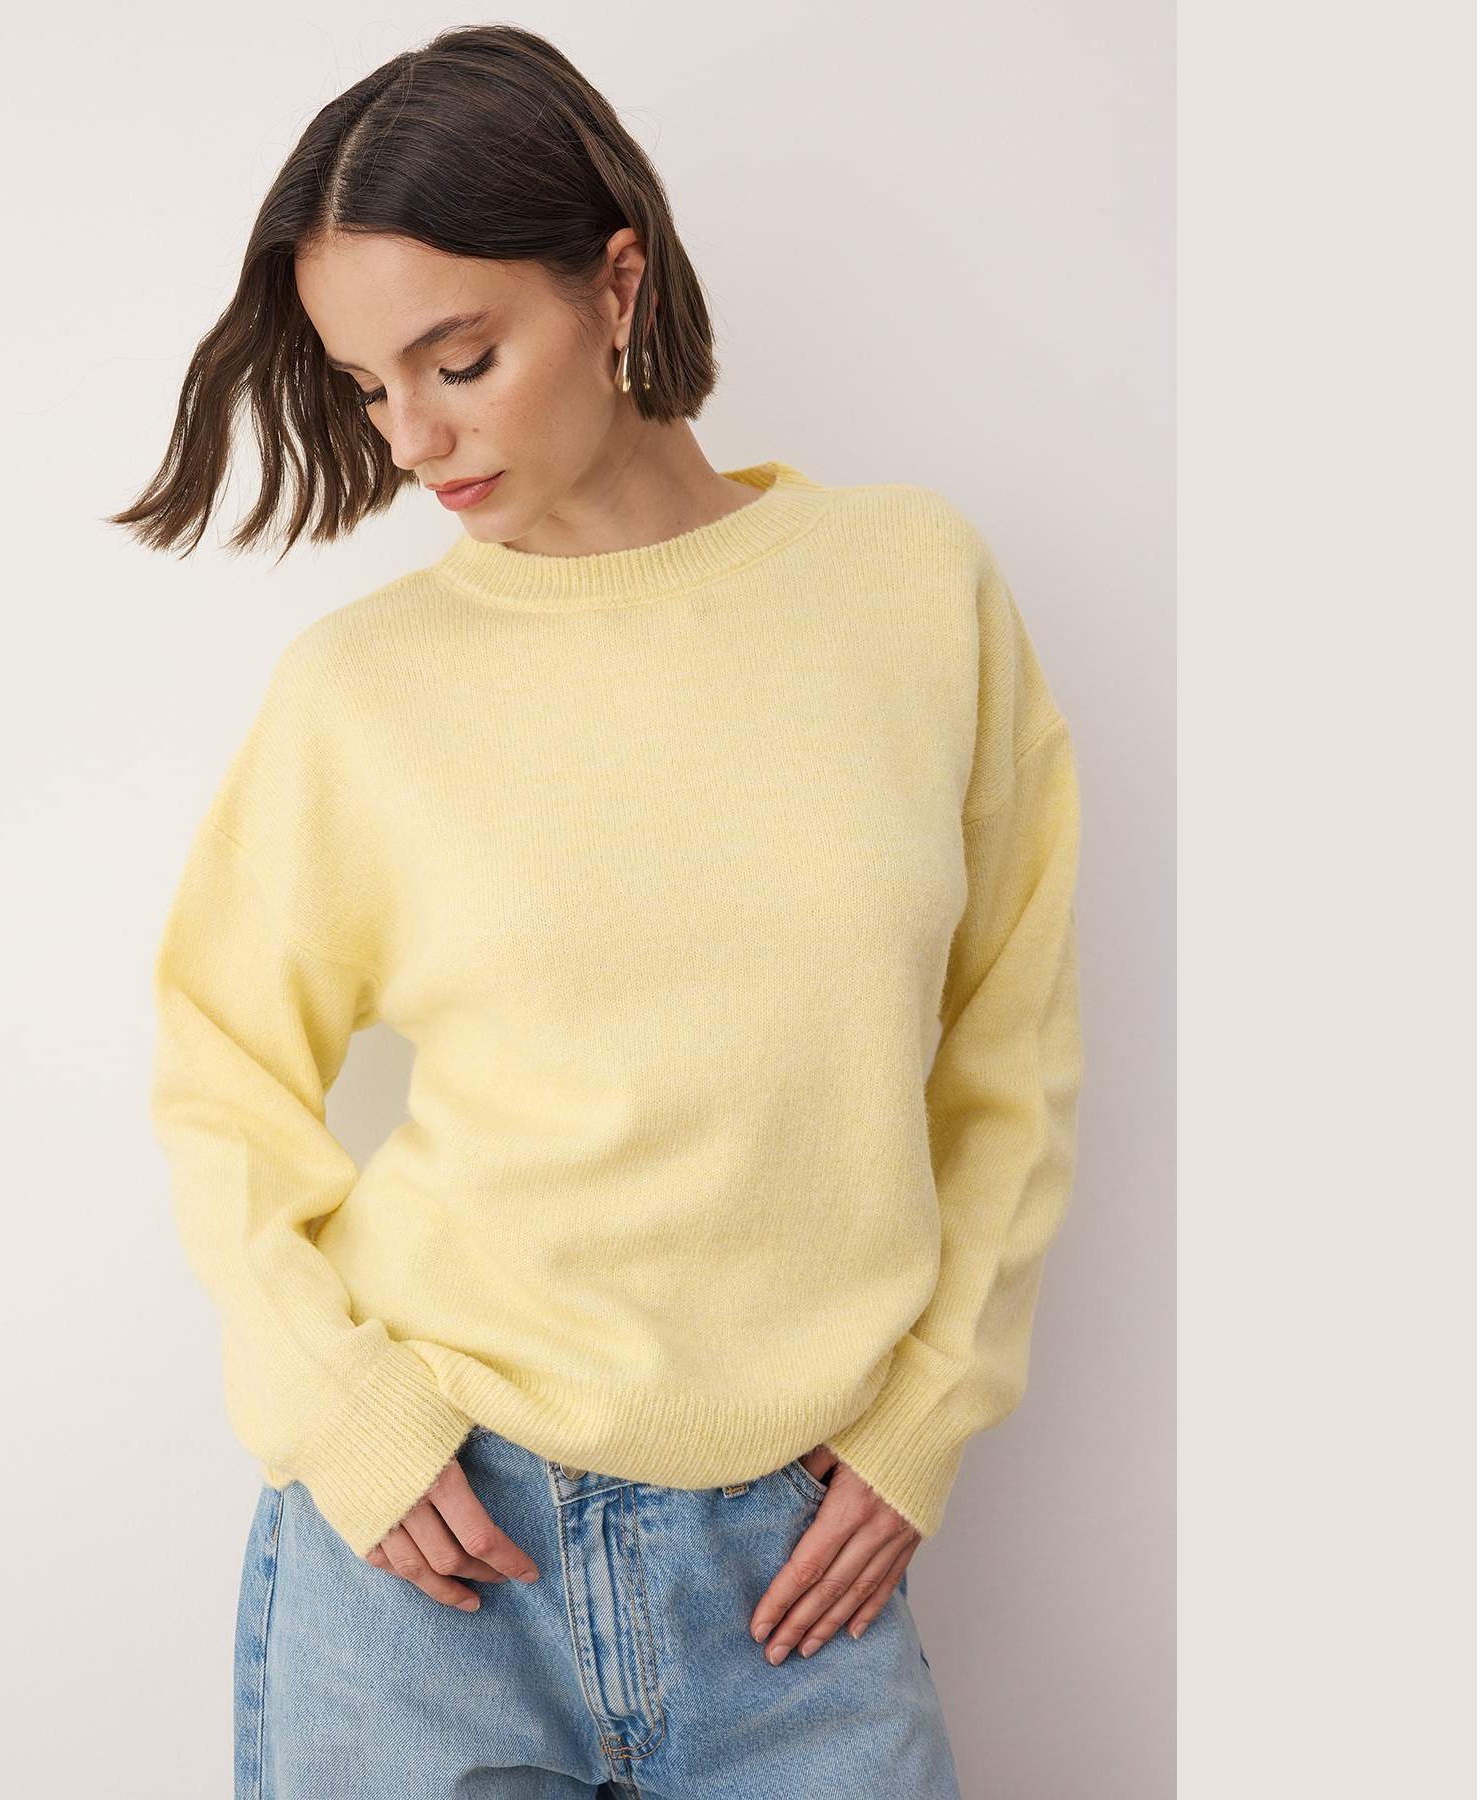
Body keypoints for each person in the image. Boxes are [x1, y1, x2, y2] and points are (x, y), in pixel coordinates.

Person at [117, 23, 1083, 1800]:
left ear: (616, 283)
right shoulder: (363, 690)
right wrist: (345, 1416)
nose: (414, 439)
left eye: (459, 359)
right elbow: (220, 1072)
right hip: (432, 1562)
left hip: (800, 1579)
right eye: (367, 388)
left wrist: (929, 1416)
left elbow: (1009, 1041)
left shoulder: (909, 587)